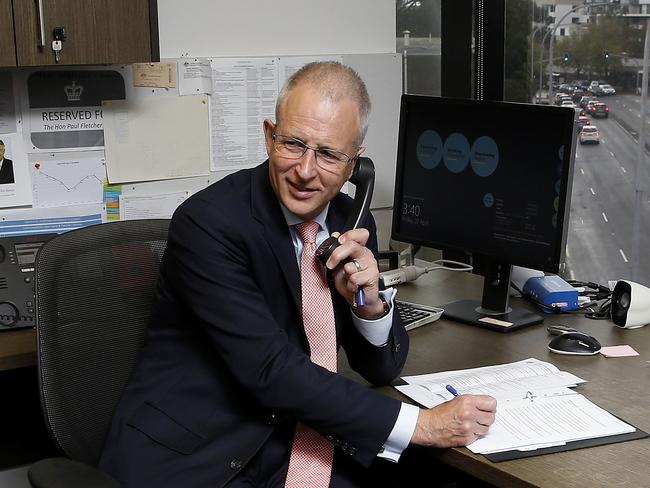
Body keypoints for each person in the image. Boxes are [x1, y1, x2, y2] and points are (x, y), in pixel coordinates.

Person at [99, 61, 496, 488]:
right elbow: (271, 371)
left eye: (328, 154)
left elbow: (381, 369)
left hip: (295, 441)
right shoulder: (209, 224)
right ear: (270, 136)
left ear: (354, 165)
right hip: (196, 458)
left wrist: (370, 303)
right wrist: (422, 426)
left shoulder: (349, 222)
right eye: (293, 144)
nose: (305, 171)